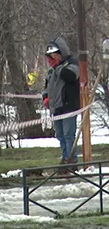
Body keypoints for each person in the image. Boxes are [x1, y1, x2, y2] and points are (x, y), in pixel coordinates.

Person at [42, 37, 80, 168]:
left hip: (68, 107)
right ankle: (65, 158)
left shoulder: (72, 63)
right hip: (56, 109)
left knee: (69, 136)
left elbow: (70, 76)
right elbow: (46, 86)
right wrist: (45, 97)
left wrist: (58, 66)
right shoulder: (51, 70)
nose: (50, 61)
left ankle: (71, 161)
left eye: (52, 57)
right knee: (60, 136)